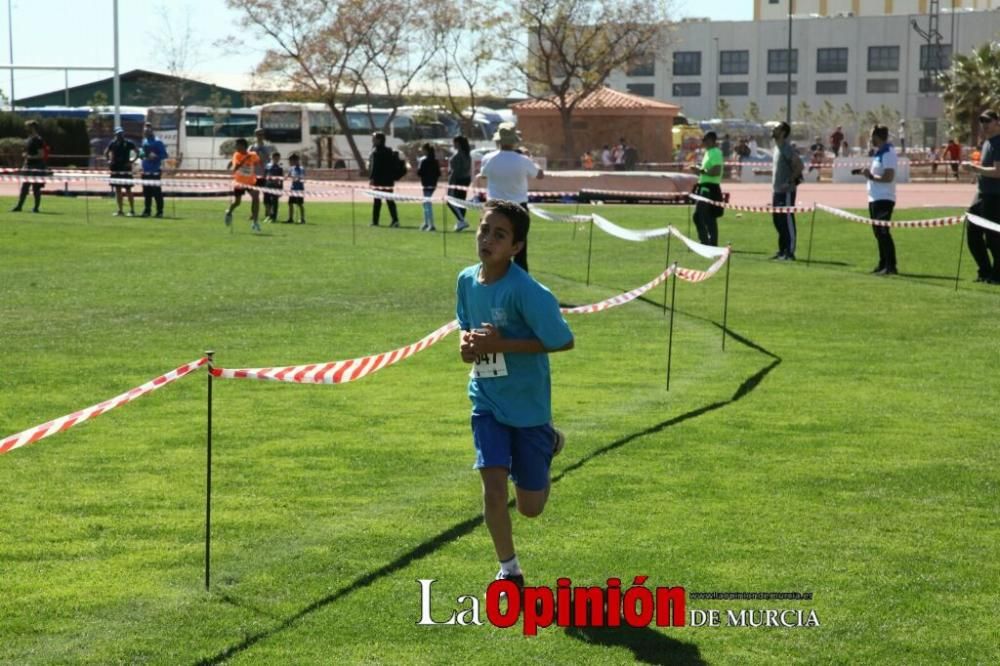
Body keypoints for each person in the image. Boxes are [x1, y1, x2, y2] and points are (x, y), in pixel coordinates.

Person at [455, 199, 574, 592]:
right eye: (484, 229)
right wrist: (467, 345)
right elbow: (464, 325)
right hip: (486, 399)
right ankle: (510, 570)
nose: (487, 239)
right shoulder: (466, 281)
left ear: (516, 247)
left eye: (499, 235)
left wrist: (502, 343)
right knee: (492, 486)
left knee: (530, 508)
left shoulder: (528, 292)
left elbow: (562, 341)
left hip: (528, 408)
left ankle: (549, 442)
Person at [476, 122, 544, 271]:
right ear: (514, 141)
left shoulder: (488, 158)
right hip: (519, 207)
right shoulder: (523, 160)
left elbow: (484, 175)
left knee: (490, 245)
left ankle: (489, 277)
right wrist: (529, 158)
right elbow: (540, 175)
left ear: (498, 140)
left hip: (493, 207)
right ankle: (521, 285)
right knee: (519, 249)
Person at [962, 109, 1000, 284]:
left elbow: (998, 172)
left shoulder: (998, 143)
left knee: (993, 237)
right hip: (982, 193)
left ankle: (997, 275)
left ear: (997, 122)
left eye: (988, 121)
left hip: (995, 196)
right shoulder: (987, 142)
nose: (984, 125)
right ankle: (984, 270)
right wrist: (976, 169)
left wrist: (975, 169)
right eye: (982, 121)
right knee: (972, 232)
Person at [861, 124, 898, 275]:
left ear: (877, 136)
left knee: (883, 232)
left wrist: (870, 176)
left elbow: (888, 177)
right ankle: (883, 263)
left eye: (872, 136)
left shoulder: (888, 152)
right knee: (878, 233)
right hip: (874, 198)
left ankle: (891, 266)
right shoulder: (879, 153)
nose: (870, 139)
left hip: (884, 198)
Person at [770, 121, 803, 261]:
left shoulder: (786, 148)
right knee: (778, 221)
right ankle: (782, 250)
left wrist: (789, 182)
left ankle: (790, 252)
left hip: (786, 192)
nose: (773, 130)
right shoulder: (777, 148)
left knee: (787, 220)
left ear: (783, 132)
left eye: (776, 128)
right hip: (776, 192)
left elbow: (799, 166)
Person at [688, 131, 724, 246]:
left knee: (700, 216)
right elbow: (707, 170)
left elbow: (716, 171)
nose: (703, 142)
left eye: (706, 140)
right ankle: (711, 243)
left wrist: (700, 170)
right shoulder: (708, 153)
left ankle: (706, 242)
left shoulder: (715, 152)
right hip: (704, 187)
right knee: (708, 217)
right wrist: (699, 169)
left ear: (712, 140)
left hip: (709, 188)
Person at [224, 138, 262, 232]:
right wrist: (245, 158)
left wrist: (255, 159)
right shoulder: (236, 155)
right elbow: (236, 167)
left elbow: (258, 162)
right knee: (237, 202)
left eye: (237, 145)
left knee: (256, 197)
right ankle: (229, 212)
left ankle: (255, 221)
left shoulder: (252, 154)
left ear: (243, 146)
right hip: (239, 183)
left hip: (250, 182)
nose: (235, 147)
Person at [11, 120, 46, 213]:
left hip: (37, 166)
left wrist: (29, 156)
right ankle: (19, 206)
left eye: (28, 127)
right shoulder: (29, 139)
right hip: (28, 165)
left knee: (36, 188)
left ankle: (36, 208)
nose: (26, 129)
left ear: (33, 128)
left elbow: (41, 154)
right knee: (24, 187)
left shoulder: (38, 140)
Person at [368, 131, 402, 227]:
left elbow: (374, 167)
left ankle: (375, 221)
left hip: (379, 180)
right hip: (389, 180)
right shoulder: (389, 151)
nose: (372, 140)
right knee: (390, 200)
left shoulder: (376, 152)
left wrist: (371, 178)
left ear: (379, 140)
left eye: (374, 138)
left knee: (377, 201)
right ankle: (395, 220)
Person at [105, 127, 138, 217]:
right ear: (115, 134)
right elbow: (106, 152)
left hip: (125, 169)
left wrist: (132, 161)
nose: (120, 135)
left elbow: (137, 152)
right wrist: (109, 160)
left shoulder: (128, 143)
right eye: (118, 134)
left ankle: (132, 210)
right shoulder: (113, 143)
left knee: (128, 190)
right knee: (118, 190)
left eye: (121, 133)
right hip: (116, 169)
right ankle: (120, 210)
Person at [139, 122, 168, 218]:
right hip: (145, 170)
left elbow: (164, 155)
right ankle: (147, 210)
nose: (146, 131)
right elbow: (141, 153)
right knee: (146, 192)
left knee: (156, 192)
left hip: (155, 170)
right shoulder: (144, 141)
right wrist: (143, 155)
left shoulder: (157, 141)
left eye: (148, 130)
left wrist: (155, 156)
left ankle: (160, 211)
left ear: (151, 130)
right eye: (145, 130)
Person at [447, 136, 472, 231]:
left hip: (458, 180)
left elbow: (455, 172)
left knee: (450, 201)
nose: (453, 145)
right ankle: (460, 222)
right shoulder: (467, 154)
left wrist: (450, 184)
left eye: (454, 142)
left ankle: (462, 220)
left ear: (458, 143)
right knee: (461, 202)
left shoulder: (457, 156)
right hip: (466, 179)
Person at [417, 143, 440, 231]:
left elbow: (419, 172)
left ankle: (431, 224)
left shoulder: (424, 161)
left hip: (426, 184)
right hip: (433, 184)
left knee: (427, 204)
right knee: (425, 203)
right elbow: (438, 173)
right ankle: (426, 223)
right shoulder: (435, 160)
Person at [249, 128, 273, 207]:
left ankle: (268, 214)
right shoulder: (251, 147)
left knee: (267, 195)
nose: (260, 136)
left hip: (265, 174)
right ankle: (253, 214)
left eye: (262, 134)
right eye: (258, 134)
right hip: (254, 174)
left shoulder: (268, 147)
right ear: (255, 135)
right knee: (255, 196)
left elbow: (271, 160)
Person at [285, 153, 306, 224]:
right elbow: (288, 175)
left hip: (299, 188)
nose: (290, 163)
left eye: (292, 161)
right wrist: (286, 176)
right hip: (293, 188)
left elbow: (302, 176)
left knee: (300, 204)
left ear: (296, 160)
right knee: (290, 203)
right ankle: (290, 218)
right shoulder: (291, 168)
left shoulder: (301, 169)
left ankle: (302, 218)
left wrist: (297, 178)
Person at [263, 151, 283, 223]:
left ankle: (273, 217)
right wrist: (263, 186)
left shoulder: (279, 167)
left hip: (275, 187)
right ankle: (267, 215)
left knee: (274, 202)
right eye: (274, 157)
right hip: (267, 185)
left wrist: (281, 189)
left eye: (277, 158)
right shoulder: (267, 165)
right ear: (272, 157)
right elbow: (264, 176)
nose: (276, 159)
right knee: (266, 202)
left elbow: (281, 179)